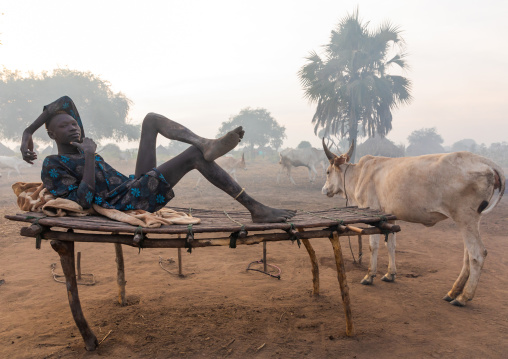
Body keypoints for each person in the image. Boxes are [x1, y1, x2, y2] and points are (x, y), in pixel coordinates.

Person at [20, 96, 296, 223]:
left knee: (151, 119)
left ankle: (204, 142)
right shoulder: (54, 165)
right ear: (51, 133)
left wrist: (27, 131)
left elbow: (64, 101)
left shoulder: (81, 145)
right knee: (193, 158)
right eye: (65, 126)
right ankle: (255, 208)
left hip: (133, 186)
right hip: (127, 201)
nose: (74, 127)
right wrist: (90, 158)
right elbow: (81, 202)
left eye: (74, 123)